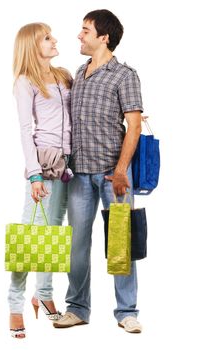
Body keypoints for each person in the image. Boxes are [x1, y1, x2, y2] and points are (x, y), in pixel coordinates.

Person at [53, 9, 143, 333]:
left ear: (104, 37)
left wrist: (121, 171)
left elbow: (133, 127)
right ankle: (77, 308)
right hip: (79, 176)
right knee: (77, 244)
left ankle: (127, 311)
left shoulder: (125, 75)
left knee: (121, 243)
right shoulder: (80, 71)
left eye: (85, 30)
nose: (79, 35)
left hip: (112, 177)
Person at [8, 22, 72, 338]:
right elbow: (24, 130)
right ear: (33, 46)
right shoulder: (24, 81)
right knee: (30, 236)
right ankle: (15, 306)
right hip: (43, 165)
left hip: (69, 165)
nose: (55, 40)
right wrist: (34, 174)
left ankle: (44, 293)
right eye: (47, 37)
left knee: (54, 231)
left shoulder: (63, 76)